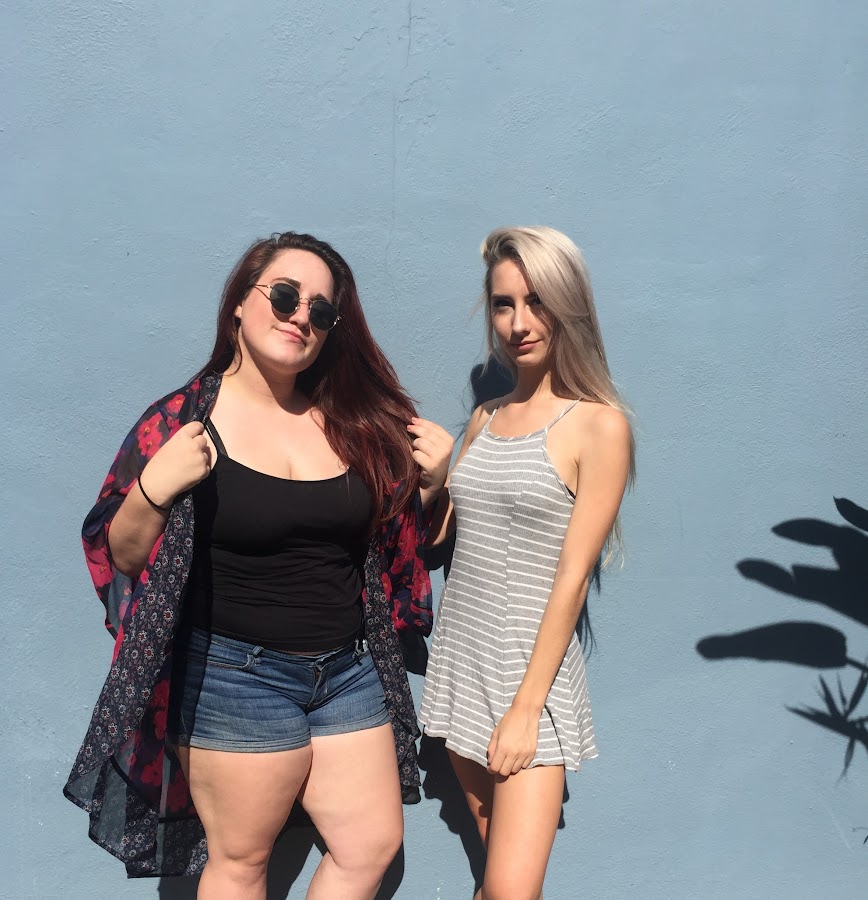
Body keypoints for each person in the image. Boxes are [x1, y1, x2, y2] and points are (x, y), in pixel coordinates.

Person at [64, 232, 454, 899]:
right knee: (243, 863)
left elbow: (401, 544)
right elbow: (121, 554)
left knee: (370, 845)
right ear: (240, 304)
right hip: (231, 676)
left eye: (321, 311)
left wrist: (433, 484)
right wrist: (154, 489)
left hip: (347, 672)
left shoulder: (354, 422)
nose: (302, 316)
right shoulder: (184, 421)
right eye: (284, 296)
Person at [416, 226, 635, 900]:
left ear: (568, 305)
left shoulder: (598, 425)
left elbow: (572, 577)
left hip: (528, 682)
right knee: (498, 880)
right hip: (462, 666)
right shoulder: (484, 418)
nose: (518, 323)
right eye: (503, 304)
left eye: (536, 301)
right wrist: (435, 480)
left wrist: (526, 709)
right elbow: (444, 543)